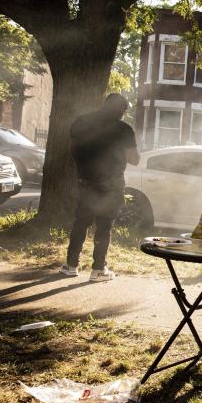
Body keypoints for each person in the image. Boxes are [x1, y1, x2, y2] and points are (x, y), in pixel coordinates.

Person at [59, 93, 138, 282]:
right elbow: (134, 160)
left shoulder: (82, 122)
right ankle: (98, 269)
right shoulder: (123, 129)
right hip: (111, 184)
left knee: (81, 222)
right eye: (124, 111)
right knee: (104, 227)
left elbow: (72, 149)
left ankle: (71, 265)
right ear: (121, 110)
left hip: (86, 181)